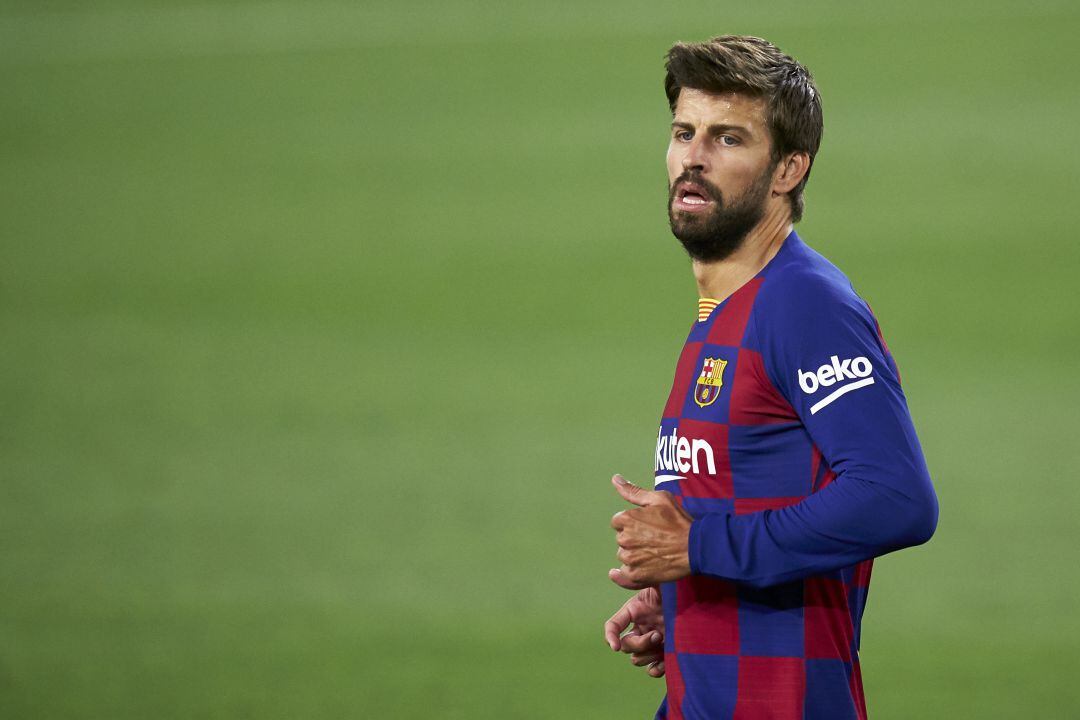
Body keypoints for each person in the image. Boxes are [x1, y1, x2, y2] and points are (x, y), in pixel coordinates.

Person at [602, 36, 938, 720]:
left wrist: (697, 548)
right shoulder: (722, 313)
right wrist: (690, 601)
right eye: (683, 133)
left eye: (728, 139)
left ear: (788, 169)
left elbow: (896, 496)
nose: (694, 157)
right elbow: (749, 499)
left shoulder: (802, 303)